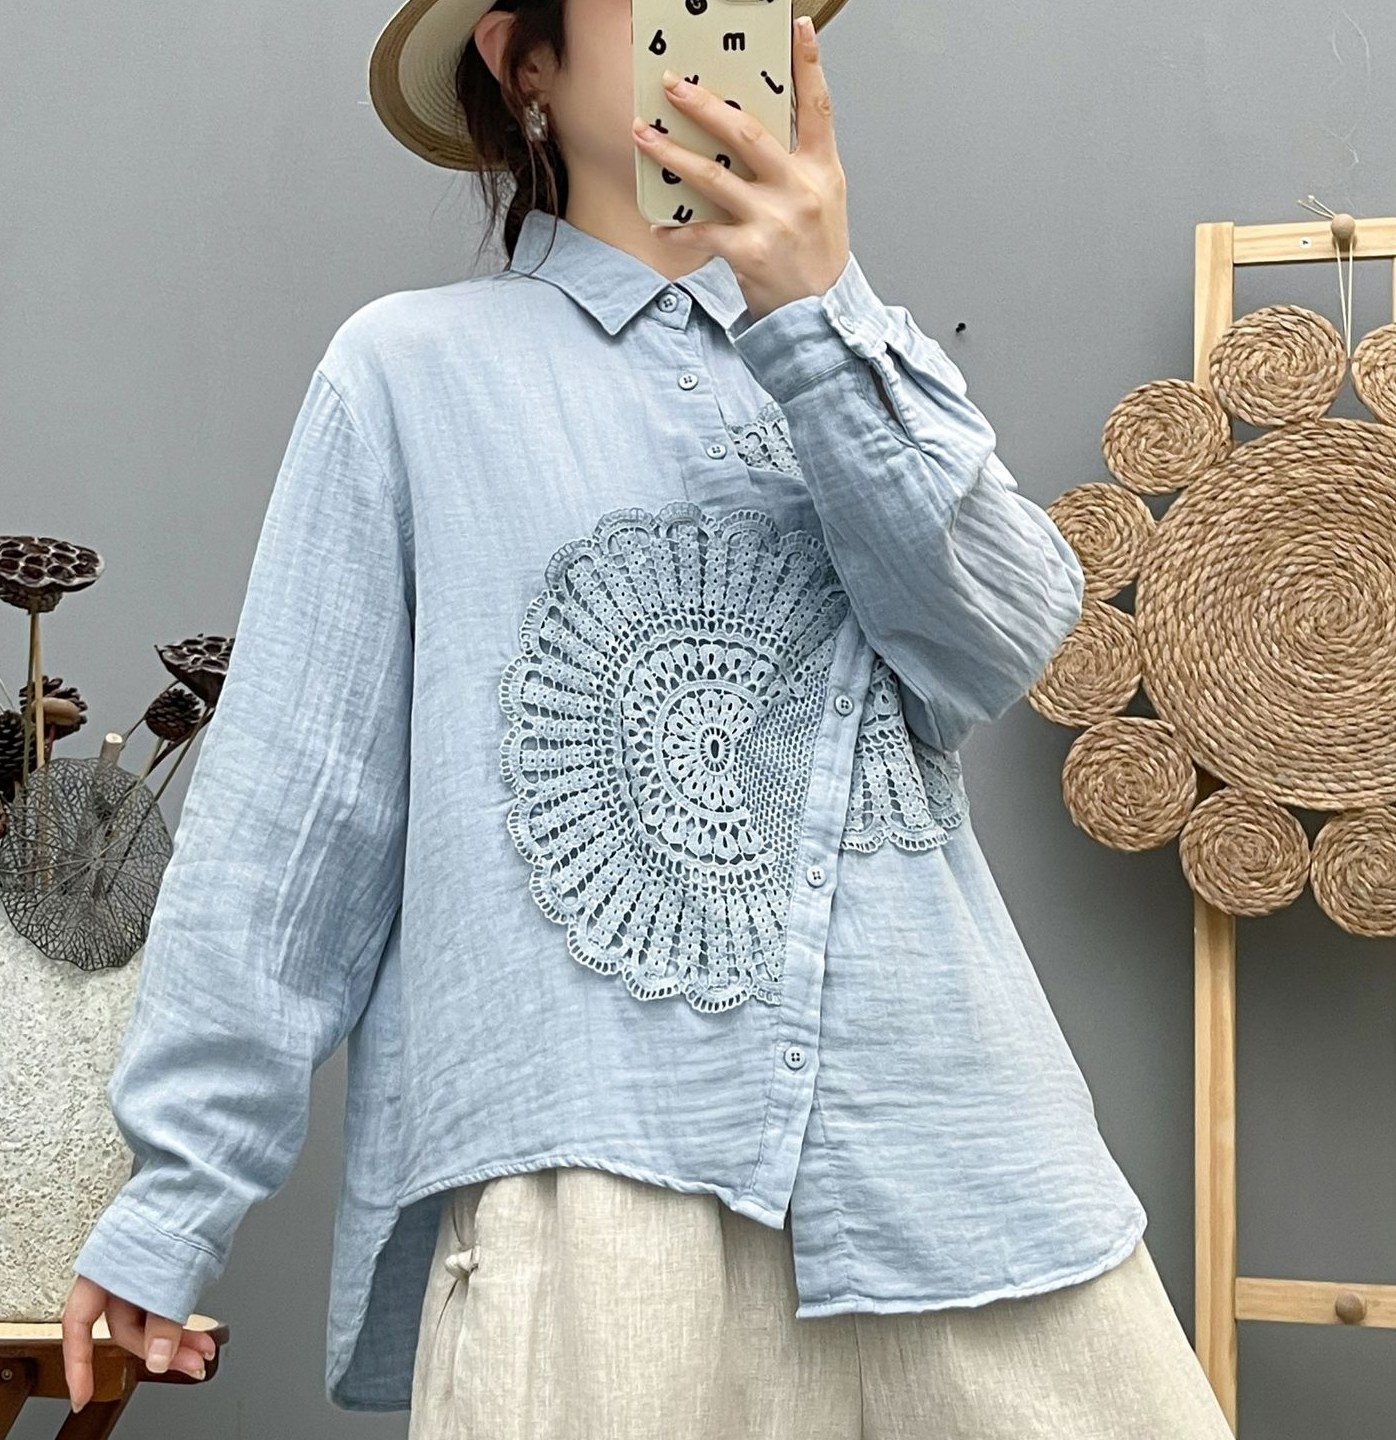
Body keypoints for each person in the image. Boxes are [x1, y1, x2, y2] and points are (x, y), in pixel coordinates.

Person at [62, 1, 1236, 1435]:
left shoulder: (858, 364)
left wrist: (820, 311)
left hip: (958, 1165)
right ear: (526, 62)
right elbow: (296, 823)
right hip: (598, 1186)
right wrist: (175, 1197)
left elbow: (999, 640)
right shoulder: (410, 374)